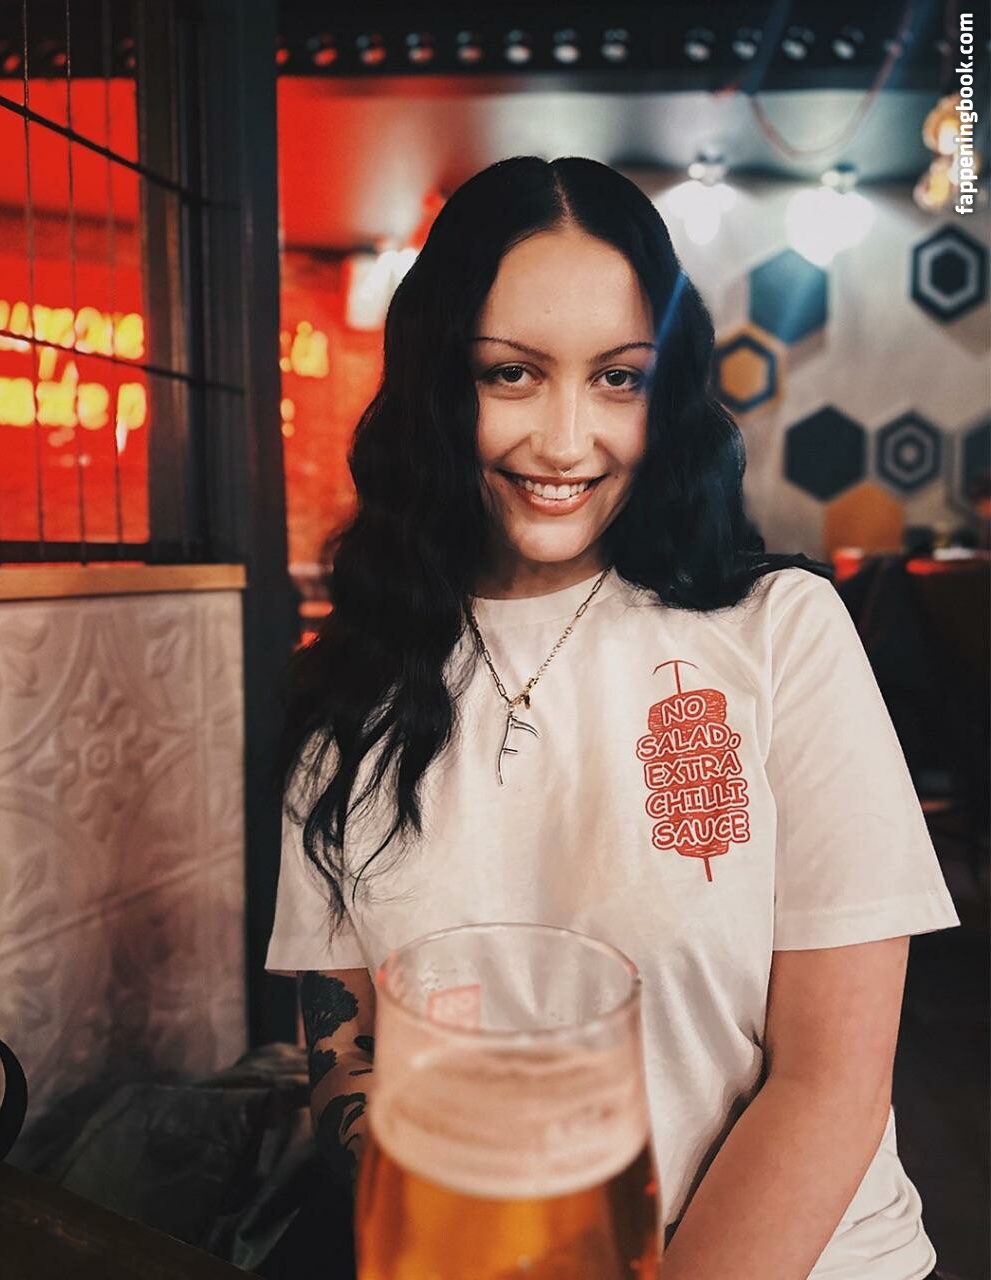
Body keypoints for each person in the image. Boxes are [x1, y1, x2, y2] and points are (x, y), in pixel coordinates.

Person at [266, 156, 959, 1280]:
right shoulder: (348, 689)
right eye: (511, 373)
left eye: (617, 378)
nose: (563, 440)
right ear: (441, 381)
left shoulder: (780, 630)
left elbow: (829, 1080)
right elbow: (349, 1051)